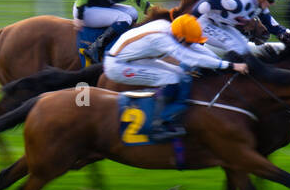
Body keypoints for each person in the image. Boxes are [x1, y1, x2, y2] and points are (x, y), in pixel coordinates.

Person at [104, 14, 248, 140]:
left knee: (179, 75)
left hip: (132, 60)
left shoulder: (173, 29)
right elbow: (189, 57)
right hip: (117, 66)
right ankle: (157, 125)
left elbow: (195, 49)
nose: (191, 44)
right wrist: (229, 66)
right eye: (189, 41)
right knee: (171, 78)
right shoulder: (161, 38)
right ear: (180, 37)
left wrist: (221, 62)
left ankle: (171, 115)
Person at [192, 0, 290, 58]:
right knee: (235, 46)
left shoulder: (258, 4)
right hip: (203, 24)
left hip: (220, 25)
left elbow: (272, 26)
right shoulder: (236, 2)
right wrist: (188, 22)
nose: (273, 3)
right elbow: (204, 4)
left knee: (245, 49)